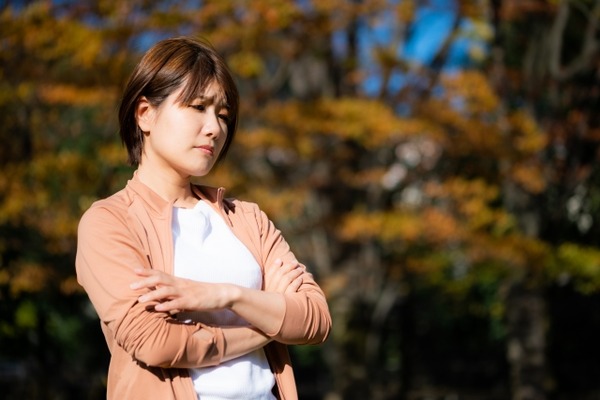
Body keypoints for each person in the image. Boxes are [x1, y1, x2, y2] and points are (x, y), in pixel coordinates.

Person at [75, 36, 332, 400]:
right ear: (145, 114)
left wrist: (223, 296)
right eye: (198, 107)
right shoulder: (110, 222)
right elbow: (155, 342)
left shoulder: (247, 218)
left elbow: (315, 318)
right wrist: (270, 323)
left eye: (223, 115)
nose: (214, 128)